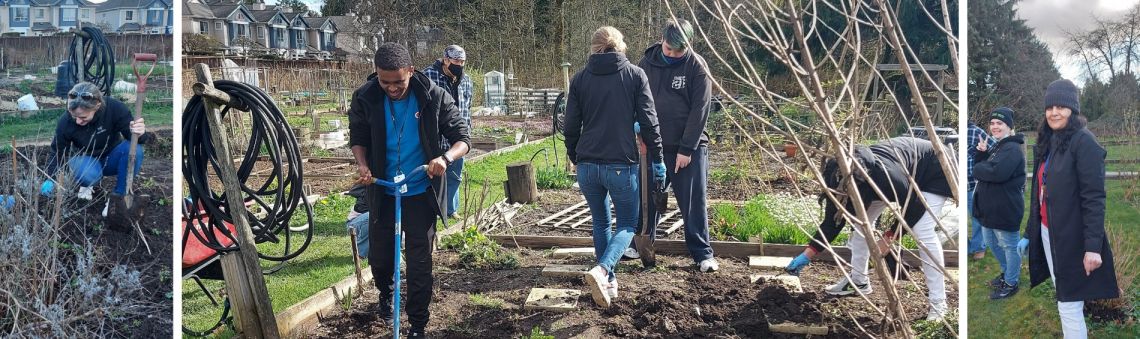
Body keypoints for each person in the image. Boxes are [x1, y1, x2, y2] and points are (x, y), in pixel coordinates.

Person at [348, 42, 470, 338]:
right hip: (384, 191)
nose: (391, 88)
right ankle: (386, 294)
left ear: (410, 71)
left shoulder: (434, 96)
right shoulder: (365, 97)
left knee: (419, 263)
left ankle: (417, 323)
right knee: (380, 257)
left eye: (398, 81)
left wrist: (444, 158)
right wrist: (363, 165)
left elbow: (463, 138)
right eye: (384, 81)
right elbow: (359, 136)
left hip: (419, 191)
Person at [784, 137, 955, 321]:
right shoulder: (836, 177)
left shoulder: (884, 176)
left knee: (923, 231)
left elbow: (914, 206)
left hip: (935, 168)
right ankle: (858, 281)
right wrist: (807, 254)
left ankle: (938, 304)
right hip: (893, 174)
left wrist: (889, 237)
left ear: (857, 186)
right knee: (860, 225)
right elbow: (833, 221)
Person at [564, 26, 665, 308]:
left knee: (600, 221)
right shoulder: (634, 75)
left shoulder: (581, 79)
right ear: (621, 46)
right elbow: (649, 121)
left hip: (587, 165)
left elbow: (570, 125)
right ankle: (603, 269)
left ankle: (608, 280)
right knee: (628, 224)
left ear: (594, 48)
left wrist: (575, 155)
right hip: (621, 164)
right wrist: (658, 159)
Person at [1025, 79, 1118, 338]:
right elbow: (1040, 193)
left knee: (1068, 301)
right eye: (1049, 107)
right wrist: (1029, 231)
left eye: (1061, 107)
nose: (1054, 112)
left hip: (1072, 237)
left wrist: (1092, 247)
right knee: (1064, 294)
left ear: (1073, 110)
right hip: (1049, 231)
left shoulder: (1084, 142)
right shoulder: (1051, 140)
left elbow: (1094, 198)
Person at [627, 18, 718, 272]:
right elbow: (637, 101)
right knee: (647, 197)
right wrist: (640, 131)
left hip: (688, 148)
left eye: (679, 50)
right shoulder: (647, 63)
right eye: (669, 48)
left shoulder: (696, 67)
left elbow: (700, 110)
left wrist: (686, 149)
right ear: (662, 40)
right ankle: (639, 243)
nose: (673, 54)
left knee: (692, 202)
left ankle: (702, 253)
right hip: (653, 145)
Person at [41, 82, 148, 217]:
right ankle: (86, 185)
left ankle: (118, 197)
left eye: (83, 117)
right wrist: (51, 178)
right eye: (74, 116)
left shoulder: (114, 109)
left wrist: (140, 132)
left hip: (111, 158)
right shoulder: (65, 122)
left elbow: (135, 139)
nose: (78, 121)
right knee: (89, 176)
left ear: (97, 106)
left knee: (135, 150)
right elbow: (58, 151)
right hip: (84, 161)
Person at [972, 107, 1026, 299]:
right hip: (990, 210)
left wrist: (978, 168)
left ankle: (1011, 282)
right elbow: (988, 168)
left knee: (1010, 247)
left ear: (1009, 127)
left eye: (1000, 123)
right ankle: (1007, 272)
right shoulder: (999, 146)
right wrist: (981, 155)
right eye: (992, 123)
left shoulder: (1012, 149)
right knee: (992, 244)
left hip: (1005, 209)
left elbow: (996, 173)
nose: (995, 126)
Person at [423, 45, 473, 218]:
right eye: (455, 61)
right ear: (445, 60)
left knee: (455, 175)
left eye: (462, 62)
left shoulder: (466, 80)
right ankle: (435, 209)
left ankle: (451, 209)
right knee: (434, 175)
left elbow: (468, 106)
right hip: (437, 136)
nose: (459, 65)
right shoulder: (429, 76)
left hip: (458, 137)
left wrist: (467, 130)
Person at [966, 121, 995, 260]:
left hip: (972, 183)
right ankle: (966, 247)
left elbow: (995, 148)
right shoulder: (951, 133)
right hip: (954, 182)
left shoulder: (974, 131)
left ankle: (978, 247)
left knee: (976, 216)